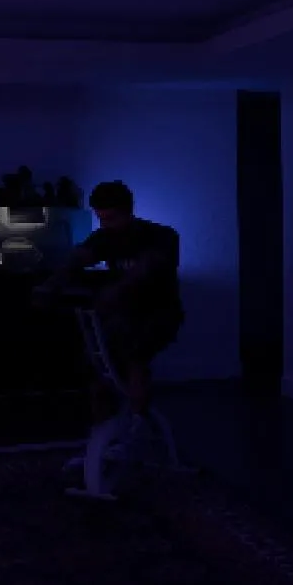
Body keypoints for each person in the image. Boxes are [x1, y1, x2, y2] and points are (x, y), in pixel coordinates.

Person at [37, 180, 183, 425]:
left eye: (112, 218)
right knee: (96, 364)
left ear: (129, 210)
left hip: (159, 313)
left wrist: (114, 292)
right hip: (123, 315)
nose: (106, 225)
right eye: (101, 218)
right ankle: (106, 427)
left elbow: (145, 269)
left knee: (135, 357)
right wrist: (51, 285)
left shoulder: (162, 237)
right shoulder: (105, 237)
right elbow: (78, 259)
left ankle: (138, 425)